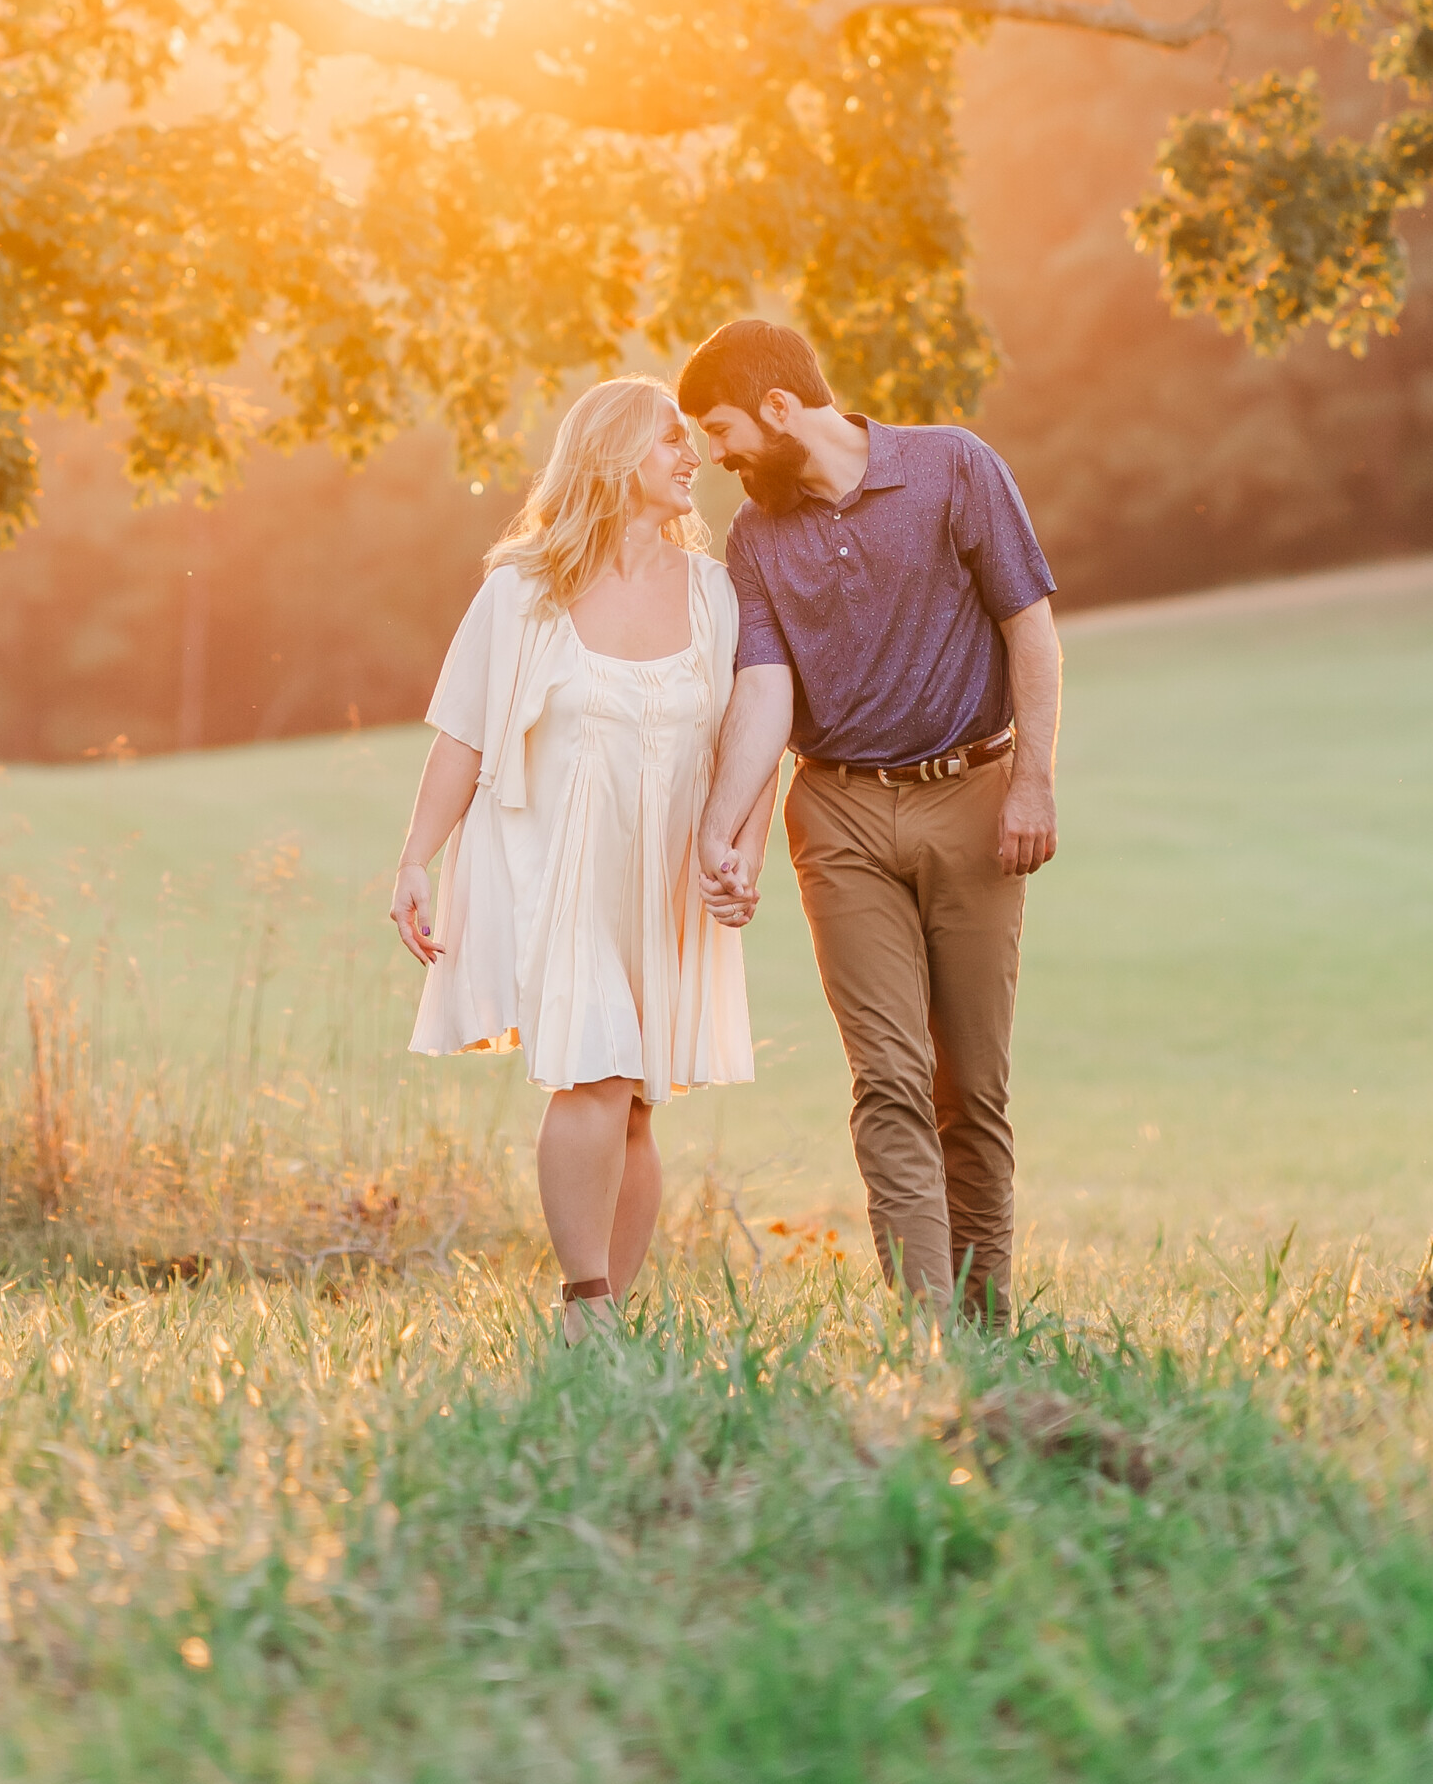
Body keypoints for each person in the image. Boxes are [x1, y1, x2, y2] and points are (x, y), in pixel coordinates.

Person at [679, 321, 1060, 1328]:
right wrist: (722, 831)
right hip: (838, 813)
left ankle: (987, 1329)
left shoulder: (952, 466)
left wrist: (1032, 781)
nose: (713, 455)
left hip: (972, 798)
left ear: (774, 406)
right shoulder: (755, 538)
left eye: (719, 429)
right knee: (888, 1078)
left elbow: (1031, 628)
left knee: (970, 1091)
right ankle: (928, 1335)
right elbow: (761, 692)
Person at [390, 377, 771, 1341]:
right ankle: (585, 1305)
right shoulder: (523, 590)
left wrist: (739, 854)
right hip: (556, 868)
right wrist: (415, 860)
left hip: (665, 881)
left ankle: (612, 1317)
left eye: (691, 442)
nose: (693, 458)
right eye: (669, 442)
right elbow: (463, 735)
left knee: (638, 1100)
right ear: (610, 459)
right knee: (593, 1076)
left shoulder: (714, 593)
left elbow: (754, 742)